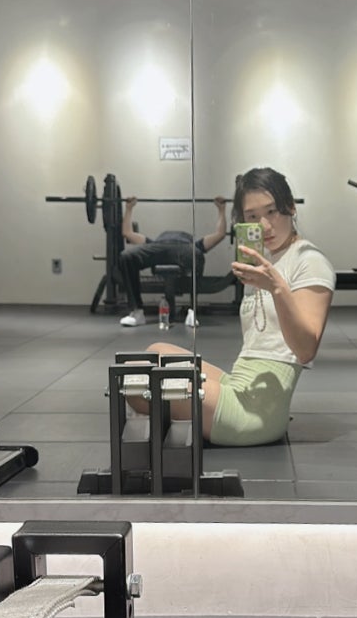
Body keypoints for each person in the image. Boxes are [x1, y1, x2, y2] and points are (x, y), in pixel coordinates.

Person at [127, 166, 335, 446]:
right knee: (155, 352)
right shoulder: (265, 259)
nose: (264, 225)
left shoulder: (309, 260)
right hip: (239, 385)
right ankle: (180, 417)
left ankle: (181, 418)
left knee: (138, 380)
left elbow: (306, 350)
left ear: (291, 207)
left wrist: (276, 287)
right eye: (252, 216)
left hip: (256, 412)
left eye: (271, 211)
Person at [118, 195, 228, 326]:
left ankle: (192, 312)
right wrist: (129, 208)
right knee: (127, 256)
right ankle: (137, 312)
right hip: (158, 246)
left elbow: (220, 234)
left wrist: (221, 209)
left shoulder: (195, 245)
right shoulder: (152, 243)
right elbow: (127, 233)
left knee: (197, 255)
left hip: (185, 248)